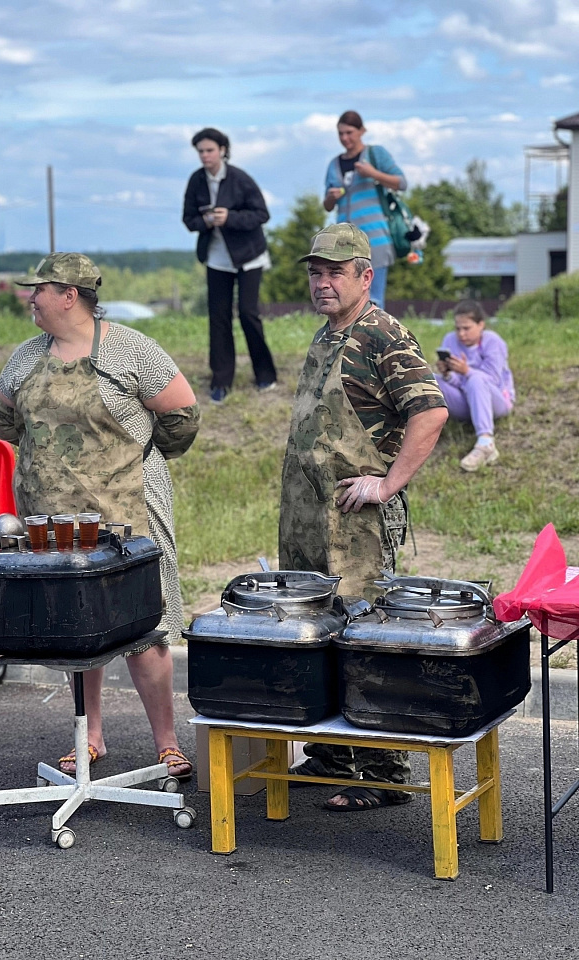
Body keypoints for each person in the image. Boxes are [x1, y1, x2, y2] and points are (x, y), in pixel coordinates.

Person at [0, 252, 201, 779]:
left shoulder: (129, 348)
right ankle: (90, 738)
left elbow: (182, 413)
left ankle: (168, 744)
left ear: (69, 295)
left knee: (144, 628)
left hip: (127, 514)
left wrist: (137, 459)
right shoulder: (25, 357)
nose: (30, 298)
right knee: (73, 629)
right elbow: (4, 421)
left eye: (38, 290)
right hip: (51, 523)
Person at [279, 223, 448, 811]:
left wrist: (388, 482)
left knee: (366, 637)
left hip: (356, 527)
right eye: (315, 272)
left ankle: (380, 774)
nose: (323, 283)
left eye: (335, 272)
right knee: (320, 636)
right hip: (308, 520)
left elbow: (430, 412)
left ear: (363, 276)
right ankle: (332, 758)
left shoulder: (382, 334)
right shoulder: (326, 336)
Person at [183, 127, 277, 404]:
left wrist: (230, 218)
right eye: (200, 151)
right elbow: (189, 220)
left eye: (210, 150)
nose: (205, 155)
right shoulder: (196, 181)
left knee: (248, 314)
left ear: (223, 150)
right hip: (217, 259)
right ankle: (221, 381)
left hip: (249, 256)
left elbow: (262, 214)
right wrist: (208, 222)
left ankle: (265, 375)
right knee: (219, 317)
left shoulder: (239, 178)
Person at [322, 111, 406, 310]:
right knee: (346, 297)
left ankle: (376, 339)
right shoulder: (334, 164)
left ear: (362, 131)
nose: (345, 138)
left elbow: (401, 183)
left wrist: (372, 173)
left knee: (374, 297)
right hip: (345, 242)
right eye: (340, 134)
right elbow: (327, 206)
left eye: (349, 132)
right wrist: (330, 198)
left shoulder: (375, 154)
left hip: (375, 239)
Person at [436, 299, 515, 472]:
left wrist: (466, 371)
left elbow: (492, 380)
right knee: (431, 380)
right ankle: (417, 428)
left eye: (466, 328)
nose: (461, 334)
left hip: (496, 401)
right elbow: (457, 382)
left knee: (476, 379)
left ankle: (486, 443)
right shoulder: (449, 340)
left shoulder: (493, 341)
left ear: (481, 325)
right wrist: (448, 374)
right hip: (465, 399)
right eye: (458, 328)